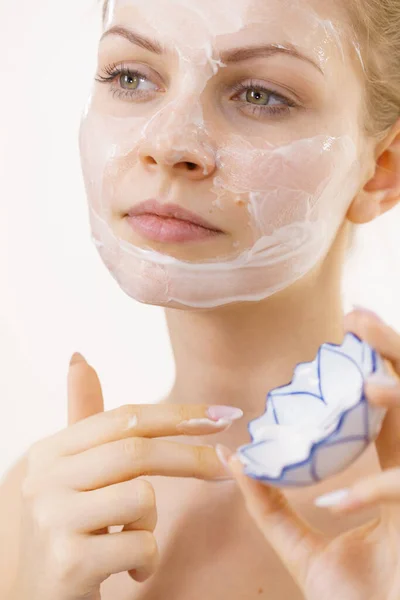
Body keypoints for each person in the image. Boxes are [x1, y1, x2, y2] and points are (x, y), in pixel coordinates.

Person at [2, 0, 400, 598]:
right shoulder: (43, 504)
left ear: (381, 172)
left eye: (261, 94)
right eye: (130, 77)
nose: (167, 142)